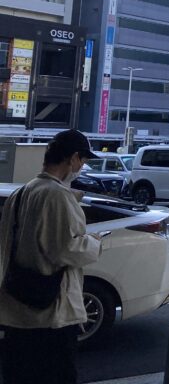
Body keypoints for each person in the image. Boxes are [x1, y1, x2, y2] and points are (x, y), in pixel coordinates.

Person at [0, 130, 103, 384]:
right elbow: (66, 249)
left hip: (16, 308)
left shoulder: (21, 193)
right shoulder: (57, 195)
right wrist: (95, 242)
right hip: (51, 315)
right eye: (83, 161)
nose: (81, 167)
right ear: (73, 158)